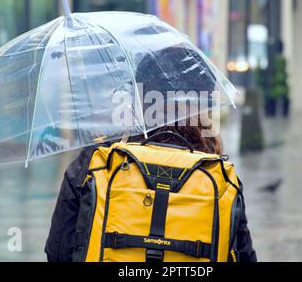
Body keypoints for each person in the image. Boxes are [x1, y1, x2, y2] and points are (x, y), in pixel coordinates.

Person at [45, 45, 256, 262]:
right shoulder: (220, 178)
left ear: (141, 98)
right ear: (201, 107)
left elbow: (57, 251)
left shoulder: (96, 162)